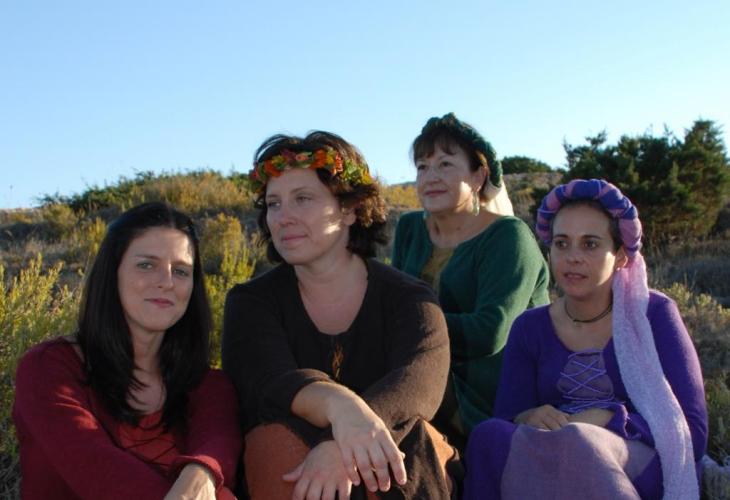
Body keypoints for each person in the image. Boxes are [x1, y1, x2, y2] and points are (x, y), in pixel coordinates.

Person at [222, 131, 455, 499]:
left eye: (302, 199)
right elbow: (268, 382)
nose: (282, 217)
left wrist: (341, 441)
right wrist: (339, 406)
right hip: (293, 464)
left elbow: (418, 384)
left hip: (397, 458)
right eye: (273, 203)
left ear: (349, 209)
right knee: (276, 443)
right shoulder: (251, 302)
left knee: (412, 438)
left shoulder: (410, 300)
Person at [464, 179, 708, 499]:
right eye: (562, 243)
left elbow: (692, 429)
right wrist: (529, 416)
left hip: (634, 461)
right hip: (553, 453)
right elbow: (508, 415)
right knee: (488, 436)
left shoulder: (654, 315)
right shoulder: (529, 327)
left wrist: (611, 419)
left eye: (590, 244)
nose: (573, 257)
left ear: (620, 256)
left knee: (582, 442)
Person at [13, 202, 242, 500]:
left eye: (181, 271)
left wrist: (202, 470)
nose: (166, 282)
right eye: (146, 265)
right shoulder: (48, 369)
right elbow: (97, 471)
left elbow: (218, 442)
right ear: (113, 273)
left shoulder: (208, 385)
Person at [391, 113, 550, 452]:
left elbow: (489, 333)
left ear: (478, 176)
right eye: (422, 167)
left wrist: (405, 325)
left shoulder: (508, 237)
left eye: (445, 164)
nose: (430, 177)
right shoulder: (410, 229)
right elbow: (392, 300)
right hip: (420, 371)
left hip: (488, 393)